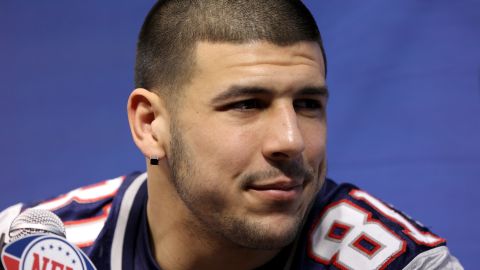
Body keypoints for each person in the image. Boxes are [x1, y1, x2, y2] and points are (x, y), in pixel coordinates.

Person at [0, 0, 463, 269]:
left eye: (307, 105)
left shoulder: (398, 265)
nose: (291, 140)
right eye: (246, 104)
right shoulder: (28, 250)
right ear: (150, 125)